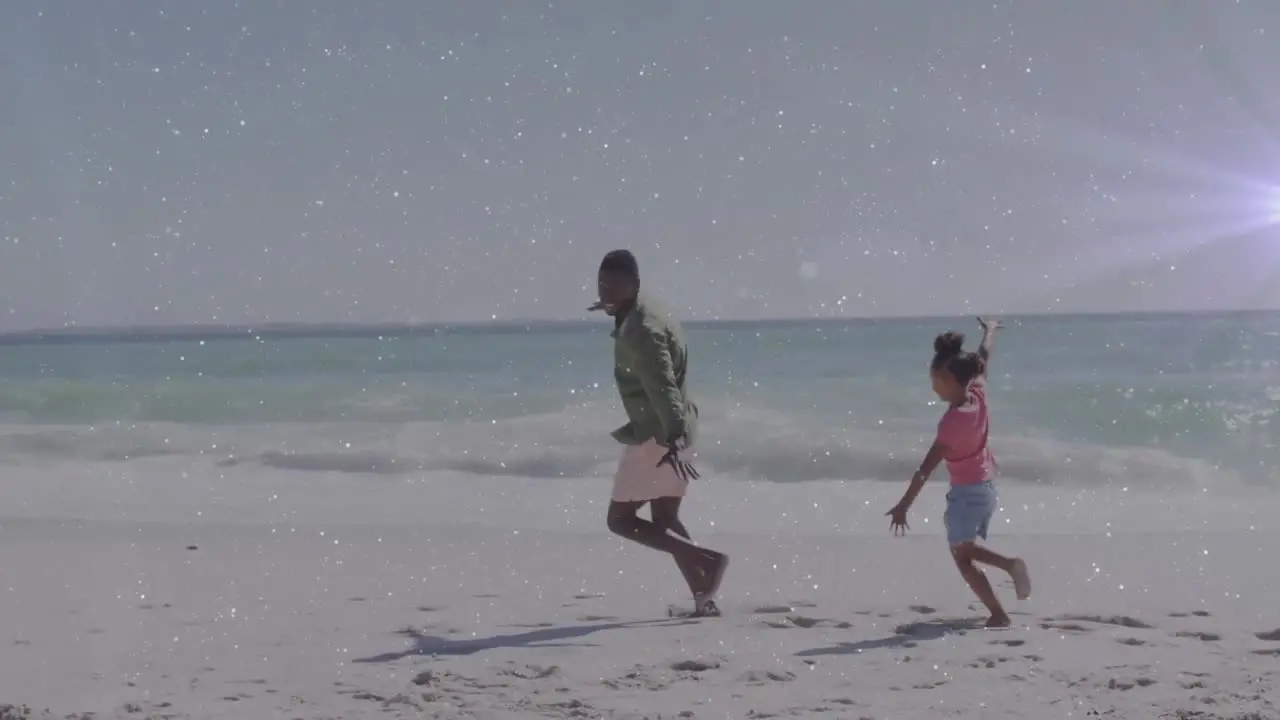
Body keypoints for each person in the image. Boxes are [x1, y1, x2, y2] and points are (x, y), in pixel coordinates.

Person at [589, 249, 729, 617]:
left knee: (619, 521)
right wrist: (611, 305)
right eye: (602, 284)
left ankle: (706, 561)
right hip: (677, 430)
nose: (606, 292)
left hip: (658, 438)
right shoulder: (648, 310)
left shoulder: (641, 332)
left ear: (634, 285)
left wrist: (674, 438)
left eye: (615, 285)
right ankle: (704, 596)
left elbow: (662, 384)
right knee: (665, 519)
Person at [885, 317, 1031, 628]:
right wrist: (989, 331)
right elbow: (984, 357)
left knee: (962, 554)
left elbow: (924, 470)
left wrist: (903, 506)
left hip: (968, 493)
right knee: (963, 555)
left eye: (936, 377)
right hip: (986, 487)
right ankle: (998, 613)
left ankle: (1009, 569)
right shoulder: (978, 391)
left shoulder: (951, 425)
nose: (932, 382)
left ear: (950, 380)